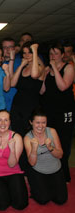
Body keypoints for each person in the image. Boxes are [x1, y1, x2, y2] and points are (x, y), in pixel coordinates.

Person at [40, 43, 75, 182]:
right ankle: (52, 171)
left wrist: (54, 67)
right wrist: (44, 74)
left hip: (64, 112)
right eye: (50, 54)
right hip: (50, 111)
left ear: (62, 55)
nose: (53, 56)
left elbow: (63, 87)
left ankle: (64, 174)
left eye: (55, 53)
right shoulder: (48, 70)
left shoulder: (69, 67)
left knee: (64, 142)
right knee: (51, 141)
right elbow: (42, 90)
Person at [0, 110, 28, 211]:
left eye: (6, 120)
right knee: (2, 205)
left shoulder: (16, 137)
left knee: (20, 205)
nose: (3, 123)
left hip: (13, 171)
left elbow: (12, 164)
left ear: (10, 122)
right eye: (0, 120)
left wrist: (12, 150)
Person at [24, 108, 67, 205]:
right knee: (43, 199)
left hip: (55, 168)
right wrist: (34, 149)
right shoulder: (27, 138)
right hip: (38, 170)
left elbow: (60, 155)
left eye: (44, 122)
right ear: (31, 122)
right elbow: (32, 163)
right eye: (37, 123)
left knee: (61, 200)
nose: (41, 126)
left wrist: (50, 147)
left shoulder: (52, 131)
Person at [10, 42, 44, 137]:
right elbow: (12, 83)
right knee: (17, 135)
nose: (27, 55)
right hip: (17, 107)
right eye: (24, 53)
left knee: (30, 137)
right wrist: (21, 66)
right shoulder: (23, 67)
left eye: (30, 52)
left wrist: (35, 50)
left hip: (30, 108)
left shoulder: (40, 68)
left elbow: (34, 75)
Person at [1, 37, 22, 111]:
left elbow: (11, 82)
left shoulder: (20, 62)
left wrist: (11, 59)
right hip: (0, 103)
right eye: (5, 47)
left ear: (14, 49)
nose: (7, 50)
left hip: (14, 102)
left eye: (10, 47)